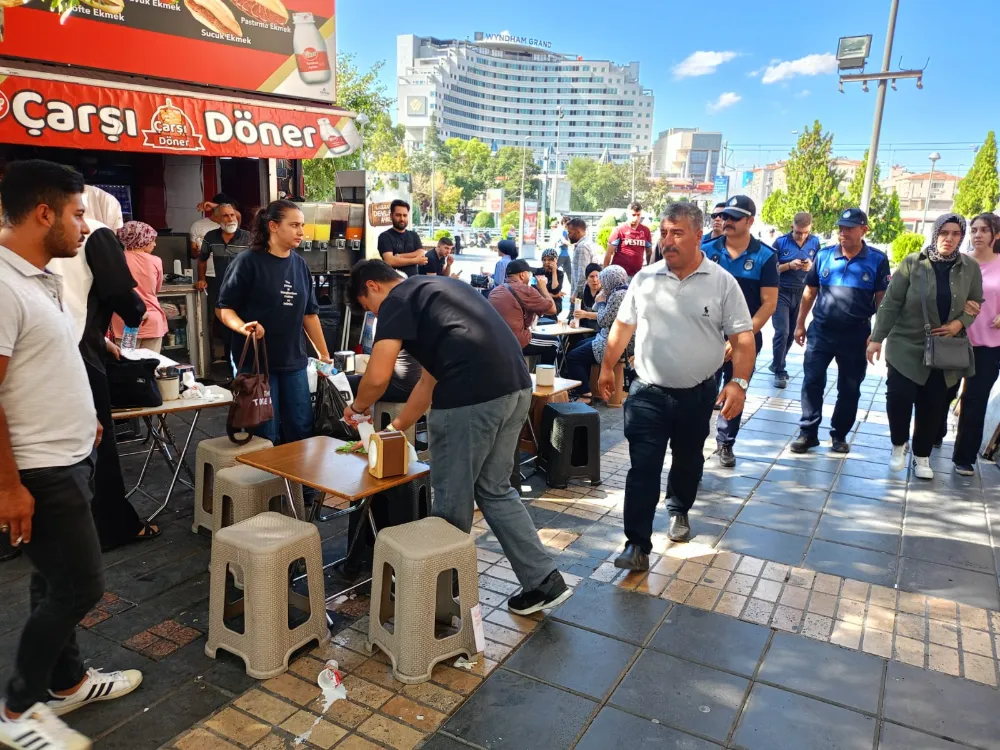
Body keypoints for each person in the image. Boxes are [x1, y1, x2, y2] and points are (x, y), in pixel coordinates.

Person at [0, 160, 143, 750]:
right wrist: (9, 487)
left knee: (51, 581)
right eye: (78, 213)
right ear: (44, 213)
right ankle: (16, 710)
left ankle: (68, 681)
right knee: (79, 588)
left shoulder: (43, 277)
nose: (86, 226)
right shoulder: (4, 286)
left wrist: (87, 420)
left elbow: (51, 363)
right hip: (41, 469)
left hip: (71, 454)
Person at [344, 260, 572, 615]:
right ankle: (545, 581)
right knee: (495, 490)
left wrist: (356, 408)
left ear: (372, 286)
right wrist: (391, 429)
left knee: (451, 501)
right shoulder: (438, 291)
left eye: (366, 307)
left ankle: (441, 601)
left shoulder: (396, 300)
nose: (372, 315)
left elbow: (377, 376)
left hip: (470, 399)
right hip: (515, 390)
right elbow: (427, 383)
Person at [597, 202, 755, 569]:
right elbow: (623, 327)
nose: (667, 241)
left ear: (699, 235)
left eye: (677, 233)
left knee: (687, 460)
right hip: (648, 392)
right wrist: (607, 366)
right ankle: (636, 544)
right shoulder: (644, 279)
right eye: (664, 232)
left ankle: (679, 507)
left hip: (697, 394)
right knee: (643, 468)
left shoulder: (721, 283)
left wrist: (739, 383)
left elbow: (743, 340)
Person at [48, 191, 158, 552]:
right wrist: (132, 314)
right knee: (97, 442)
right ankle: (110, 527)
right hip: (75, 353)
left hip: (61, 346)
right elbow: (121, 294)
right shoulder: (96, 232)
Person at [868, 214, 982, 480]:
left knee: (933, 405)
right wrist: (877, 337)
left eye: (955, 233)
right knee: (898, 398)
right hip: (906, 343)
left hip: (943, 348)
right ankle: (899, 444)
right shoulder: (913, 263)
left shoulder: (969, 267)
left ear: (961, 237)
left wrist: (959, 323)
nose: (949, 238)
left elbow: (976, 302)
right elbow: (892, 303)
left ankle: (922, 456)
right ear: (935, 233)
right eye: (944, 232)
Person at [217, 200, 332, 446]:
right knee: (265, 432)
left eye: (302, 225)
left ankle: (299, 483)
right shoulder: (247, 261)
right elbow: (224, 309)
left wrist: (324, 353)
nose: (301, 232)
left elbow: (309, 314)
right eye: (293, 225)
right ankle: (265, 484)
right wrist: (242, 327)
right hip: (256, 364)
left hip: (294, 361)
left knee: (301, 428)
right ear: (273, 226)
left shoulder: (299, 264)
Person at [791, 209, 891, 454]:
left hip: (856, 335)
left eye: (849, 228)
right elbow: (809, 293)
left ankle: (839, 434)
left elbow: (882, 301)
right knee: (812, 381)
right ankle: (808, 433)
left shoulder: (877, 260)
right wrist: (800, 323)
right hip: (822, 331)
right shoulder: (825, 256)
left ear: (864, 230)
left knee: (850, 387)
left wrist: (877, 335)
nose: (842, 232)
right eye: (841, 228)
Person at [703, 195, 778, 468]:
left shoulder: (765, 256)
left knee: (736, 387)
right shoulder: (707, 250)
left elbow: (769, 303)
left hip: (745, 337)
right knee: (701, 390)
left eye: (735, 217)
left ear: (750, 221)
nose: (726, 221)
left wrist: (740, 338)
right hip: (705, 336)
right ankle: (694, 444)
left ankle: (725, 442)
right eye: (725, 216)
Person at [952, 213, 1000, 475]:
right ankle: (933, 436)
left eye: (984, 230)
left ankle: (964, 457)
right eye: (974, 229)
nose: (978, 234)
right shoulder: (960, 262)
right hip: (954, 340)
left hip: (989, 347)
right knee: (943, 393)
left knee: (975, 399)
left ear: (997, 235)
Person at [769, 212, 820, 388]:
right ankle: (780, 370)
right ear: (792, 227)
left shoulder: (815, 243)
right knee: (782, 331)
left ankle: (777, 361)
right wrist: (788, 265)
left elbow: (818, 268)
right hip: (781, 292)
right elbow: (771, 269)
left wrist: (810, 267)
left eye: (805, 232)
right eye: (798, 232)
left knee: (792, 333)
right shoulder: (780, 242)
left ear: (810, 229)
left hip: (802, 293)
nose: (801, 236)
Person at [566, 265, 631, 402]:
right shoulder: (619, 292)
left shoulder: (618, 295)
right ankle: (584, 387)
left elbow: (603, 321)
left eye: (601, 279)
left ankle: (585, 394)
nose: (598, 281)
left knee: (573, 357)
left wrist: (601, 303)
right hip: (607, 336)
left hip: (612, 341)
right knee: (576, 346)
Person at [489, 259, 559, 366]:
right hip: (516, 342)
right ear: (522, 275)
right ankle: (545, 379)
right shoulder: (526, 290)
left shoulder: (495, 291)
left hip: (495, 342)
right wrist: (543, 289)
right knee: (555, 342)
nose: (530, 276)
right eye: (529, 273)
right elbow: (553, 309)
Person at [111, 221, 168, 353]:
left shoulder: (117, 259)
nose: (154, 244)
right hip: (152, 322)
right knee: (150, 367)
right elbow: (156, 289)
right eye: (152, 240)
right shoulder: (155, 261)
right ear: (142, 239)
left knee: (127, 366)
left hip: (124, 322)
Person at [377, 200, 427, 277]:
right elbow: (389, 260)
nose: (402, 219)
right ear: (391, 216)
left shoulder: (414, 235)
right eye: (398, 215)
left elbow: (421, 253)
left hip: (412, 282)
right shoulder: (385, 236)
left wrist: (399, 256)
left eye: (405, 215)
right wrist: (415, 260)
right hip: (394, 283)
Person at [604, 202, 651, 277]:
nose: (636, 218)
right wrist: (605, 275)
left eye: (638, 215)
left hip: (637, 275)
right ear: (627, 215)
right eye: (633, 215)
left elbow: (649, 253)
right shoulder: (619, 230)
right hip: (619, 275)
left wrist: (650, 272)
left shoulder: (646, 231)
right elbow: (609, 253)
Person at [568, 217, 596, 292]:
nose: (568, 235)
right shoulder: (586, 243)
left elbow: (582, 276)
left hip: (581, 295)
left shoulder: (582, 247)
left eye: (570, 232)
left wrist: (576, 294)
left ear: (578, 232)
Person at [573, 262, 603, 331]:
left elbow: (605, 315)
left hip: (599, 331)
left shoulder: (606, 294)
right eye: (591, 276)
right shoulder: (581, 293)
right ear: (586, 279)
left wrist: (586, 314)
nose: (595, 280)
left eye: (597, 276)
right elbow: (573, 313)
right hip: (582, 330)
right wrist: (572, 321)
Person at [538, 248, 567, 317]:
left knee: (552, 310)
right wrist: (555, 295)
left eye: (550, 260)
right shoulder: (539, 272)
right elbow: (537, 292)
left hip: (555, 302)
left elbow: (555, 290)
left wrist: (554, 272)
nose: (546, 262)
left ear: (555, 261)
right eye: (544, 260)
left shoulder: (559, 273)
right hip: (541, 300)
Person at [557, 216, 573, 285]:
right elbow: (563, 241)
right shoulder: (560, 231)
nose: (569, 225)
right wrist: (572, 244)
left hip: (566, 254)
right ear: (563, 222)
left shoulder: (565, 232)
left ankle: (574, 290)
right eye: (568, 223)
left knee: (569, 273)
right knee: (553, 271)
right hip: (560, 254)